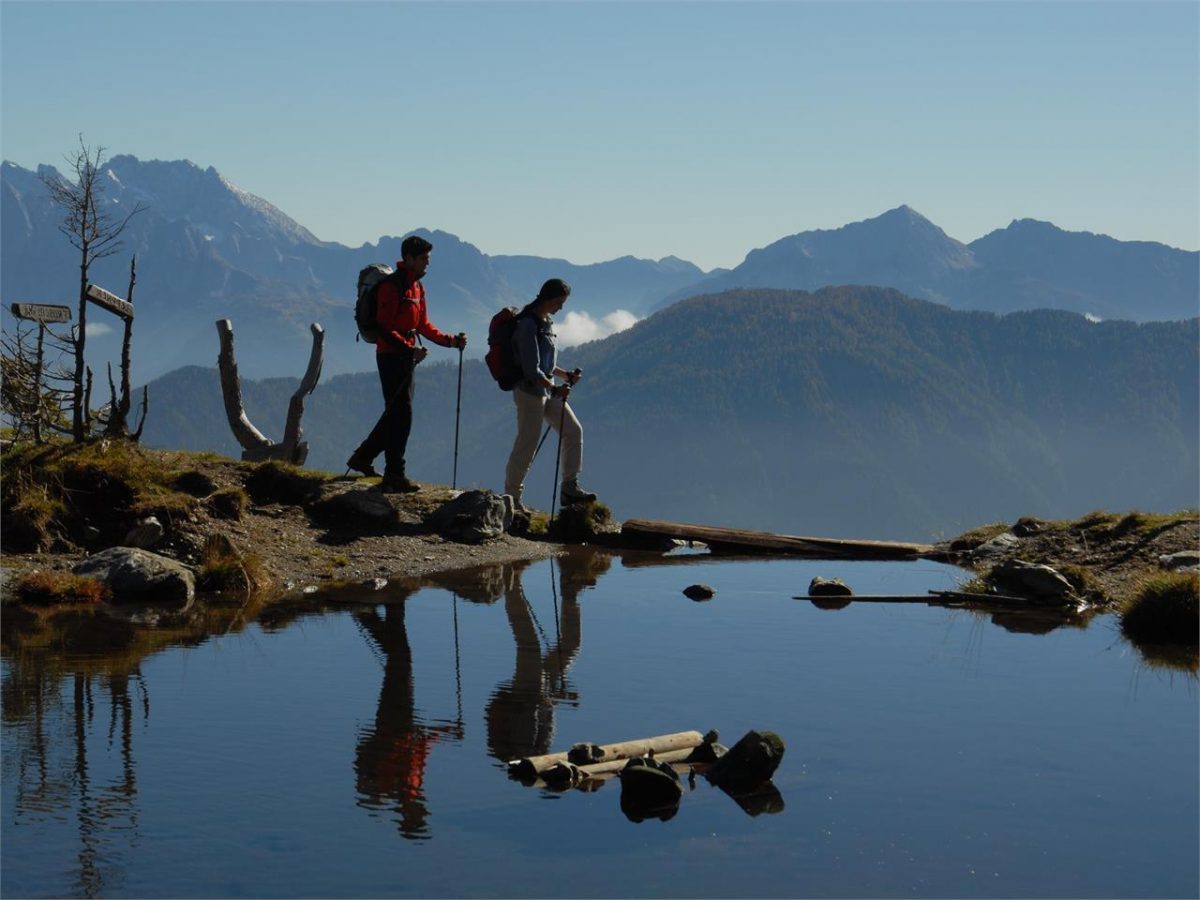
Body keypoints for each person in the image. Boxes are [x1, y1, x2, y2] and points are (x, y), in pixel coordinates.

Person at [347, 234, 467, 492]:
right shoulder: (392, 286)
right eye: (424, 259)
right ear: (409, 258)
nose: (427, 264)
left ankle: (364, 457)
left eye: (428, 259)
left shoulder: (416, 287)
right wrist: (409, 350)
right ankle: (394, 473)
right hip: (390, 357)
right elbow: (383, 325)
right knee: (402, 415)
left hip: (403, 356)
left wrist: (450, 342)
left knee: (397, 413)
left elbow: (422, 324)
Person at [503, 278, 596, 512]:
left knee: (573, 430)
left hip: (546, 389)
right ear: (547, 298)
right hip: (529, 393)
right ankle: (511, 498)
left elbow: (546, 364)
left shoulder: (546, 322)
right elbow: (531, 369)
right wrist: (554, 388)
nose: (561, 307)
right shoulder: (527, 325)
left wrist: (565, 375)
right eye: (558, 302)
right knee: (527, 443)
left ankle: (569, 486)